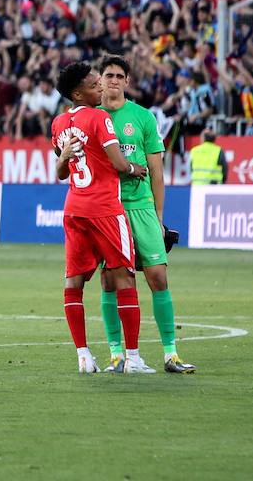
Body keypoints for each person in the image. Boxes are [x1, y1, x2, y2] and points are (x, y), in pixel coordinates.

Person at [51, 61, 151, 374]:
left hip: (74, 209)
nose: (101, 88)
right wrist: (136, 168)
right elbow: (119, 164)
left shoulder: (58, 124)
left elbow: (62, 171)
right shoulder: (99, 117)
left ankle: (83, 355)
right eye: (95, 85)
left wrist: (66, 157)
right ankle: (133, 359)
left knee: (73, 281)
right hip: (106, 209)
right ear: (78, 93)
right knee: (124, 277)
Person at [98, 54, 196, 374]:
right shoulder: (91, 118)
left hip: (140, 207)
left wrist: (157, 213)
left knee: (157, 276)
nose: (113, 80)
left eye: (118, 76)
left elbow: (156, 170)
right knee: (110, 282)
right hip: (108, 210)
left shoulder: (142, 117)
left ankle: (171, 354)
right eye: (108, 75)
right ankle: (117, 354)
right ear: (100, 80)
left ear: (127, 81)